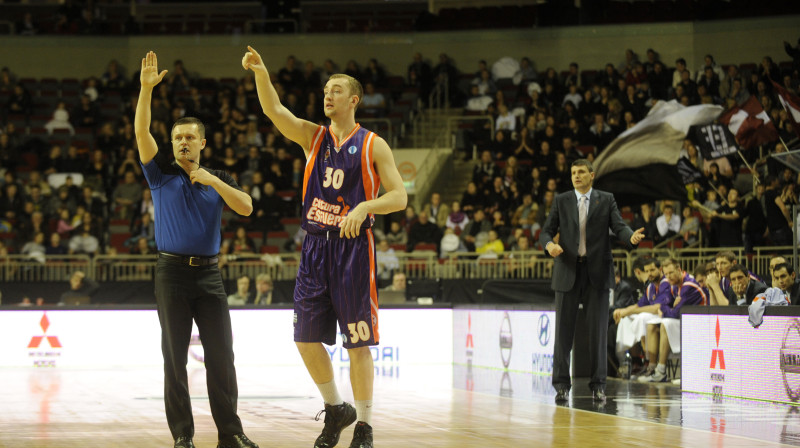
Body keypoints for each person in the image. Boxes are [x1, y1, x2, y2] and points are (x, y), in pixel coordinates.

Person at [244, 45, 407, 448]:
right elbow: (275, 112)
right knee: (304, 336)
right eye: (325, 91)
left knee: (358, 341)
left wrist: (367, 205)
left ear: (354, 100)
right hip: (315, 247)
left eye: (335, 90)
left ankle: (365, 426)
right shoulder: (313, 137)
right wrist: (262, 73)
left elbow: (400, 197)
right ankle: (336, 407)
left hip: (353, 250)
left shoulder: (373, 144)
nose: (327, 96)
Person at [135, 51, 258, 448]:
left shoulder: (218, 177)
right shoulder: (159, 174)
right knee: (175, 361)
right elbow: (141, 133)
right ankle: (183, 437)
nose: (183, 141)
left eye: (190, 136)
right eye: (177, 137)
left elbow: (247, 207)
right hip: (171, 274)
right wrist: (146, 91)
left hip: (209, 275)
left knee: (222, 357)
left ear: (203, 142)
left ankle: (231, 434)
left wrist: (212, 181)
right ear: (170, 143)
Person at [538, 159, 645, 403]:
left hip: (597, 272)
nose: (576, 176)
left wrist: (631, 237)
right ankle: (562, 385)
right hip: (567, 270)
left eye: (581, 172)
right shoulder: (562, 200)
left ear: (591, 175)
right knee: (563, 334)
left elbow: (619, 226)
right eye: (573, 172)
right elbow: (545, 231)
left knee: (598, 332)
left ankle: (599, 385)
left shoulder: (605, 199)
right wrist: (550, 244)